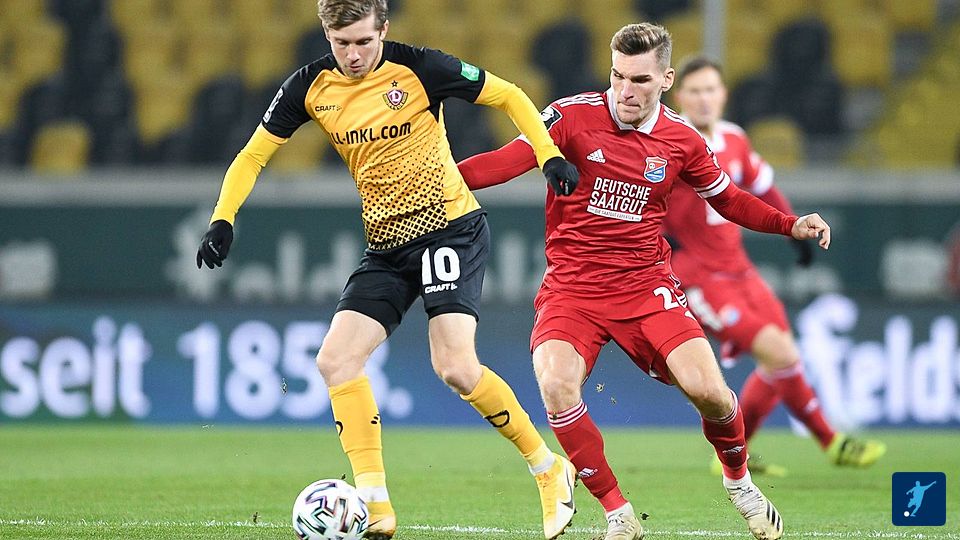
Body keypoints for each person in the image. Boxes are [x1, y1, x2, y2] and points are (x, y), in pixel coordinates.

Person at [195, 1, 582, 539]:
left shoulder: (420, 67)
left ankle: (547, 468)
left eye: (363, 42)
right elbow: (252, 155)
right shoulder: (309, 86)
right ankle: (376, 507)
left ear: (384, 30)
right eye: (341, 43)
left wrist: (547, 155)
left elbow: (510, 95)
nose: (353, 55)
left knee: (456, 367)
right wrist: (223, 218)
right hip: (386, 245)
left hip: (449, 228)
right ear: (326, 35)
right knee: (336, 360)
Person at [457, 22, 830, 540]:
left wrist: (789, 224)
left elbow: (729, 200)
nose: (624, 91)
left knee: (711, 393)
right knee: (556, 384)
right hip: (573, 288)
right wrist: (433, 179)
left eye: (639, 79)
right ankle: (618, 513)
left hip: (645, 286)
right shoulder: (569, 117)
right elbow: (502, 163)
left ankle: (740, 483)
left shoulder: (682, 140)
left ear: (666, 80)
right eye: (617, 76)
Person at [667, 56, 886, 476]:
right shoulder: (671, 140)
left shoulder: (735, 139)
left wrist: (792, 230)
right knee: (781, 352)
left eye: (710, 89)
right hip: (697, 277)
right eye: (694, 91)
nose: (704, 99)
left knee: (781, 359)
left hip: (740, 270)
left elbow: (764, 187)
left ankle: (733, 455)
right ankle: (833, 442)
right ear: (681, 97)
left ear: (723, 95)